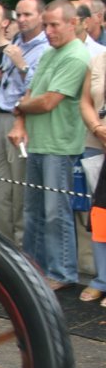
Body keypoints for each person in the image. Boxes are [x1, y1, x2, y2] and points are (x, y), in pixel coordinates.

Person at [7, 0, 91, 289]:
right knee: (33, 211)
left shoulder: (76, 56)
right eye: (47, 25)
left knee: (56, 212)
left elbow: (47, 101)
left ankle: (62, 272)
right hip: (39, 142)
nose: (49, 31)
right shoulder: (49, 53)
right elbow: (32, 91)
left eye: (54, 25)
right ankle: (33, 267)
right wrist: (20, 117)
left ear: (72, 23)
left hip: (60, 145)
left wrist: (21, 107)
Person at [0, 0, 49, 246]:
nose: (21, 20)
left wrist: (22, 66)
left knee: (20, 190)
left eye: (27, 15)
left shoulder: (45, 47)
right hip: (0, 116)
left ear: (41, 16)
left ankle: (23, 252)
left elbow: (39, 88)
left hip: (22, 120)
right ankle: (1, 246)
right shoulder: (16, 41)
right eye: (18, 15)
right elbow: (10, 85)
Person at [79, 46, 106, 306]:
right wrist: (97, 128)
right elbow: (85, 101)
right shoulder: (97, 60)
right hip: (96, 143)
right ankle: (102, 278)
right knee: (99, 215)